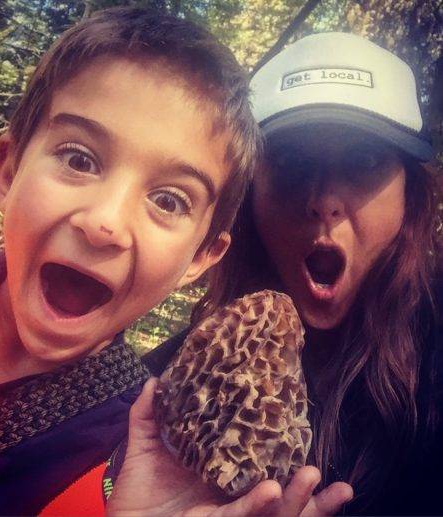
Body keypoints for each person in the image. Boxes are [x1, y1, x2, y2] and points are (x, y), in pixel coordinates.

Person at [108, 33, 442, 516]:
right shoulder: (169, 390)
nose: (323, 199)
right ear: (247, 199)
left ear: (410, 197)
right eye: (290, 161)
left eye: (364, 161)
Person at [0, 6, 263, 515]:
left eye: (169, 200)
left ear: (202, 255)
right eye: (78, 159)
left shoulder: (139, 462)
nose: (104, 223)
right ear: (7, 170)